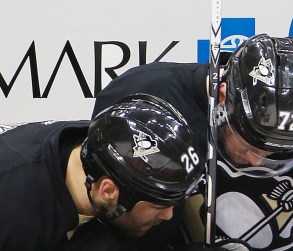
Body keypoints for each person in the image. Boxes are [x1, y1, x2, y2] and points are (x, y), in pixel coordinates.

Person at [93, 35, 293, 250]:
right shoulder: (145, 101)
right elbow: (111, 216)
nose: (258, 161)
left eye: (277, 153)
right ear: (222, 98)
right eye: (249, 145)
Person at [0, 94, 203, 250]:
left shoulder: (153, 186)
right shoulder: (11, 205)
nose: (169, 214)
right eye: (158, 205)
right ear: (108, 191)